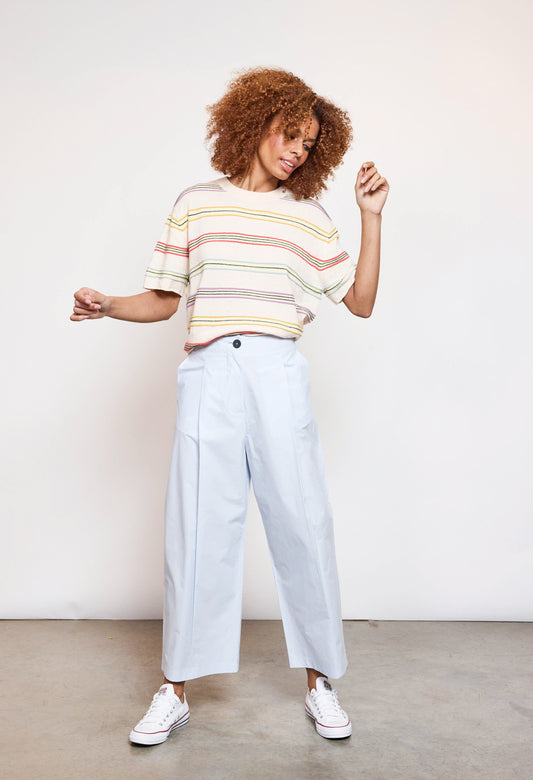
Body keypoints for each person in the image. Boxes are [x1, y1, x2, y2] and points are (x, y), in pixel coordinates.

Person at [70, 66, 389, 744]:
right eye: (288, 133)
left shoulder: (308, 217)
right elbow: (164, 299)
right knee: (196, 530)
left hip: (277, 371)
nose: (297, 151)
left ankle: (320, 682)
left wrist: (370, 217)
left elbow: (359, 302)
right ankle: (175, 689)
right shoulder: (196, 204)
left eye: (309, 143)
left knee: (302, 523)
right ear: (255, 120)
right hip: (209, 372)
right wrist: (108, 305)